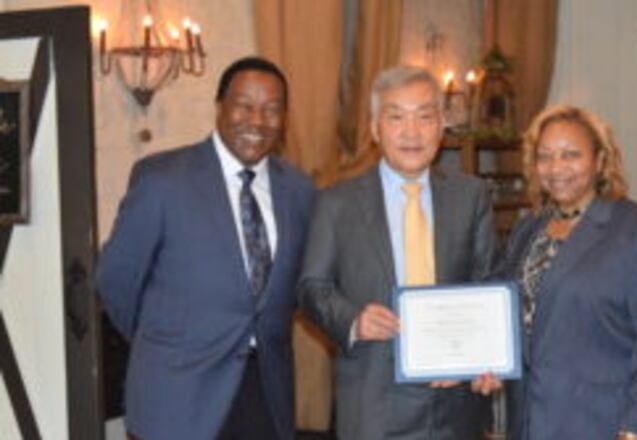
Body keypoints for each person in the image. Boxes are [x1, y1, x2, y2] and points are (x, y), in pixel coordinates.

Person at [96, 57, 314, 440]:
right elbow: (116, 281)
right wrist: (164, 340)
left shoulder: (299, 191)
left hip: (265, 394)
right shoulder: (162, 179)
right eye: (244, 105)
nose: (257, 121)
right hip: (177, 392)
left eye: (271, 109)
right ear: (220, 106)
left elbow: (300, 285)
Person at [297, 65, 498, 440]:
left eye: (425, 117)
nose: (412, 132)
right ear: (375, 129)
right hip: (373, 403)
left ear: (441, 126)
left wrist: (481, 357)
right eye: (396, 118)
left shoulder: (470, 196)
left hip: (455, 403)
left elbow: (490, 285)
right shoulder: (336, 203)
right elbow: (311, 287)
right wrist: (353, 320)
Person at [487, 104, 637, 440]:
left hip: (604, 423)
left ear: (600, 161)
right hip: (530, 422)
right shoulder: (527, 231)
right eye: (545, 156)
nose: (557, 168)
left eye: (571, 155)